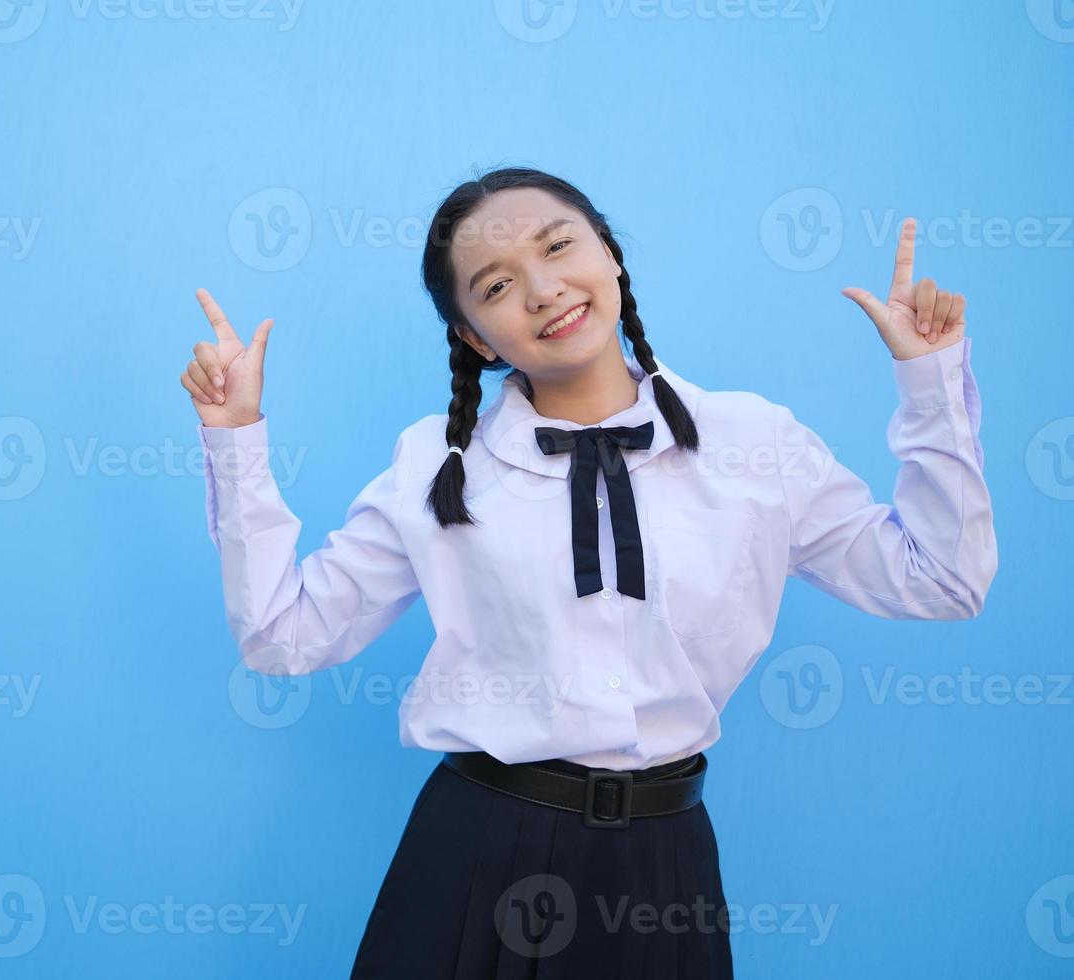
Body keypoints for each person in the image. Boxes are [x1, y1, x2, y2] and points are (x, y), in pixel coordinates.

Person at [179, 167, 996, 978]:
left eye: (559, 245)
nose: (542, 290)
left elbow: (940, 580)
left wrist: (931, 382)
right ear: (475, 338)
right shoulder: (436, 463)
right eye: (496, 284)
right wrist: (236, 436)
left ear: (609, 252)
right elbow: (281, 638)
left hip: (663, 867)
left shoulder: (753, 441)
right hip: (473, 856)